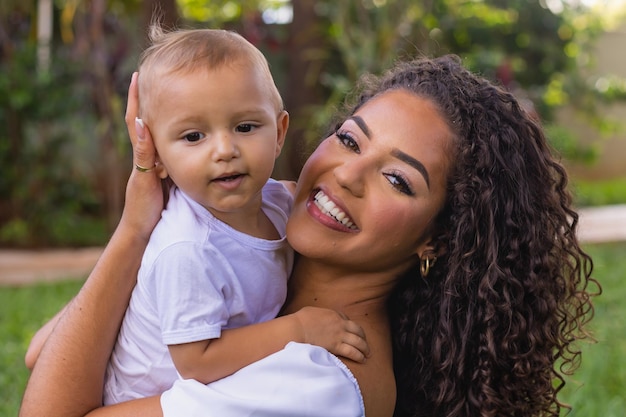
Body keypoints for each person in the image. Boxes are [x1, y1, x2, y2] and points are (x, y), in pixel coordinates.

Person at [20, 54, 598, 417]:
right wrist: (143, 222)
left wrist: (131, 234)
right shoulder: (246, 260)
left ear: (439, 240)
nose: (344, 175)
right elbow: (43, 348)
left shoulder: (313, 384)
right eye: (349, 140)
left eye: (397, 179)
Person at [109, 25, 370, 404]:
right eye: (193, 136)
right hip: (141, 400)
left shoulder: (281, 205)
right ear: (157, 157)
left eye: (245, 127)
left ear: (279, 133)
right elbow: (197, 362)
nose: (225, 149)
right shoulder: (187, 247)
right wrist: (298, 329)